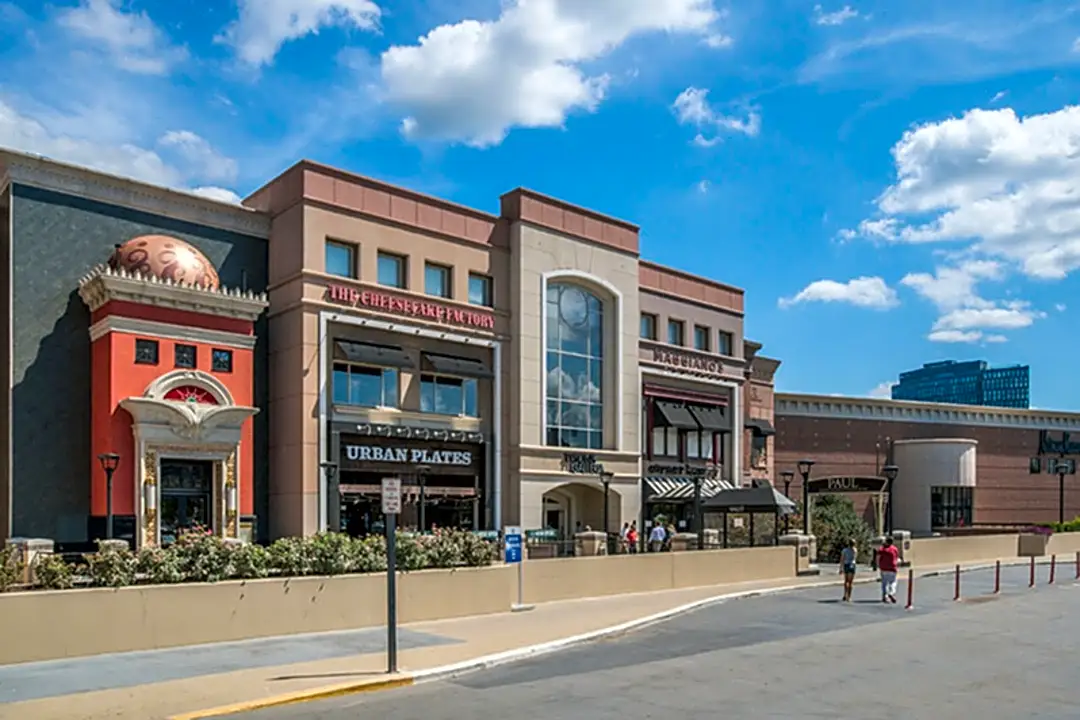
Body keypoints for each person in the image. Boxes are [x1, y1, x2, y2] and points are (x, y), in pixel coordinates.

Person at [876, 536, 900, 604]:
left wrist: (878, 565)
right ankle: (891, 593)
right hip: (892, 567)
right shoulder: (894, 549)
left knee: (884, 583)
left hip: (884, 567)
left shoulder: (882, 549)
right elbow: (897, 558)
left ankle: (885, 596)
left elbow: (878, 557)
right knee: (893, 582)